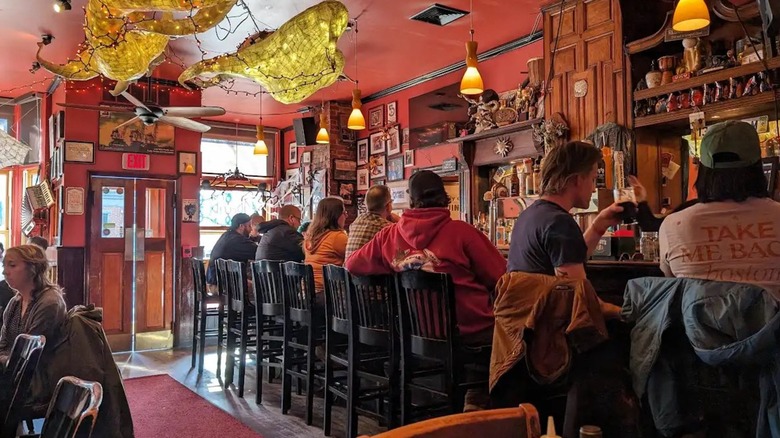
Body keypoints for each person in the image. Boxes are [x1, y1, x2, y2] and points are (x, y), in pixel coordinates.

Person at [345, 170, 505, 411]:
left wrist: (395, 267)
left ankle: (470, 399)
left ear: (410, 200)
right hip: (470, 333)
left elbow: (351, 264)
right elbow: (503, 278)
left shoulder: (389, 235)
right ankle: (481, 401)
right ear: (444, 198)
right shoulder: (463, 232)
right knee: (517, 333)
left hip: (416, 335)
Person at [659, 121, 780, 299]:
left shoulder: (673, 226)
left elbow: (673, 286)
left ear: (703, 170)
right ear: (758, 166)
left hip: (698, 327)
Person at [508, 141, 624, 281]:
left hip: (526, 302)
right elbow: (576, 294)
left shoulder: (528, 215)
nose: (593, 189)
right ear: (578, 179)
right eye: (593, 179)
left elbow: (569, 257)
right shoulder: (559, 223)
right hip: (549, 303)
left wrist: (599, 225)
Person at [0, 245, 67, 366]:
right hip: (12, 373)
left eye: (12, 265)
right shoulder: (15, 302)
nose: (5, 271)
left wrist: (4, 360)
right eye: (4, 265)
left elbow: (28, 354)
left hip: (39, 377)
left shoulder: (50, 302)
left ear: (33, 269)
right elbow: (3, 345)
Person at [304, 197, 348, 293]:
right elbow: (357, 258)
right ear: (335, 215)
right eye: (344, 212)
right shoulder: (337, 237)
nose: (346, 216)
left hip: (306, 293)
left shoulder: (310, 237)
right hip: (326, 294)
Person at [628, 175, 698, 232]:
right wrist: (641, 200)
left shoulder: (695, 207)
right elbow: (653, 227)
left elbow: (652, 227)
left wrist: (641, 201)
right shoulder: (694, 207)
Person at [345, 185, 399, 259]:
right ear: (387, 206)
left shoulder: (356, 222)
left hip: (347, 269)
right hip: (368, 270)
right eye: (391, 202)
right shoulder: (386, 228)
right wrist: (399, 222)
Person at [206, 213, 257, 286]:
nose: (251, 229)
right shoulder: (237, 240)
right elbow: (259, 253)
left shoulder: (227, 235)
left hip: (215, 280)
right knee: (260, 288)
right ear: (241, 226)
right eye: (249, 226)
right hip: (223, 285)